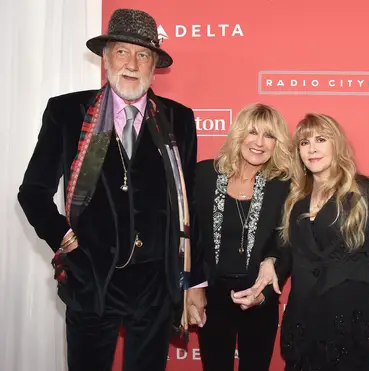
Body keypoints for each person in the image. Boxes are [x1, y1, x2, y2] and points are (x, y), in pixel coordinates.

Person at [17, 8, 197, 371]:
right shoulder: (68, 112)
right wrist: (67, 243)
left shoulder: (178, 118)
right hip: (91, 282)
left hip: (155, 287)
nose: (132, 63)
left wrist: (192, 280)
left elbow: (188, 205)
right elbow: (33, 191)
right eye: (122, 51)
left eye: (143, 54)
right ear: (105, 57)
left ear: (154, 64)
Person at [246, 113, 369, 371]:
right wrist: (270, 260)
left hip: (351, 318)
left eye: (320, 139)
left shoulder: (364, 191)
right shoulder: (295, 197)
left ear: (336, 145)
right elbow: (286, 249)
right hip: (305, 317)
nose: (312, 149)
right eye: (304, 143)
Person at [185, 103, 293, 371]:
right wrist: (191, 287)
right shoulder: (204, 175)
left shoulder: (284, 185)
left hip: (259, 295)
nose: (259, 143)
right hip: (211, 296)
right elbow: (189, 236)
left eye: (269, 136)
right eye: (252, 132)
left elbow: (288, 241)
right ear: (238, 134)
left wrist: (268, 272)